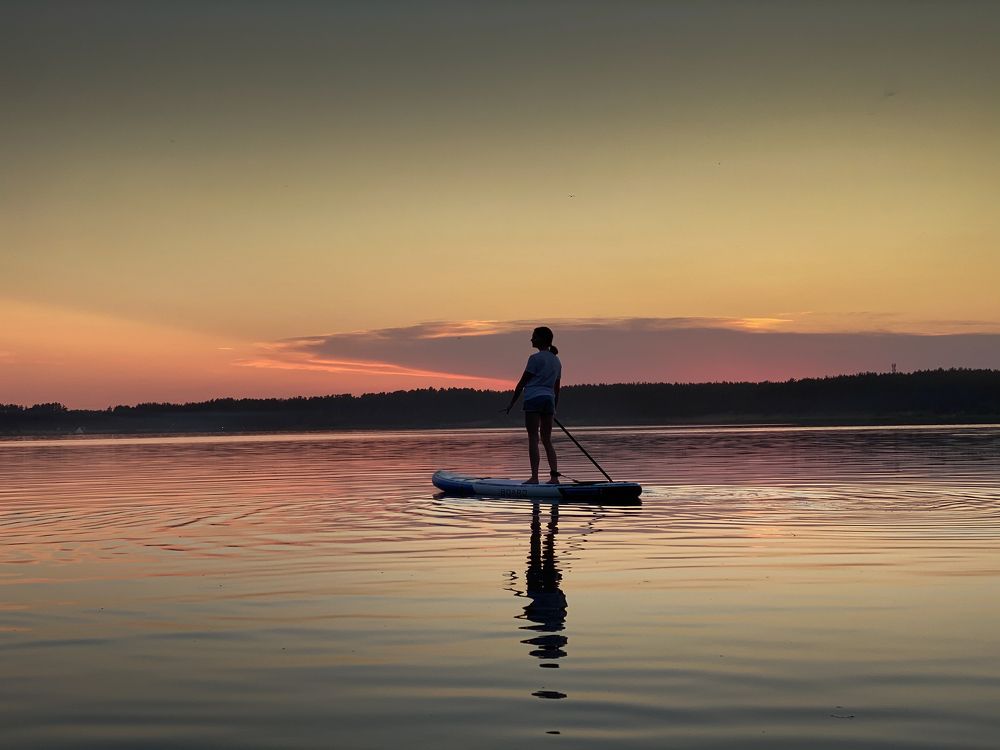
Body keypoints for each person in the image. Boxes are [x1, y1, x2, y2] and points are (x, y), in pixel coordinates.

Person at [505, 326, 561, 484]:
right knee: (547, 439)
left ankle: (534, 477)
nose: (531, 339)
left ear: (541, 339)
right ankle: (554, 478)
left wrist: (511, 403)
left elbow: (522, 382)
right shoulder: (556, 360)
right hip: (549, 400)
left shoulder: (535, 359)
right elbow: (557, 389)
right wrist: (554, 407)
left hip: (533, 398)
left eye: (534, 337)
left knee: (533, 438)